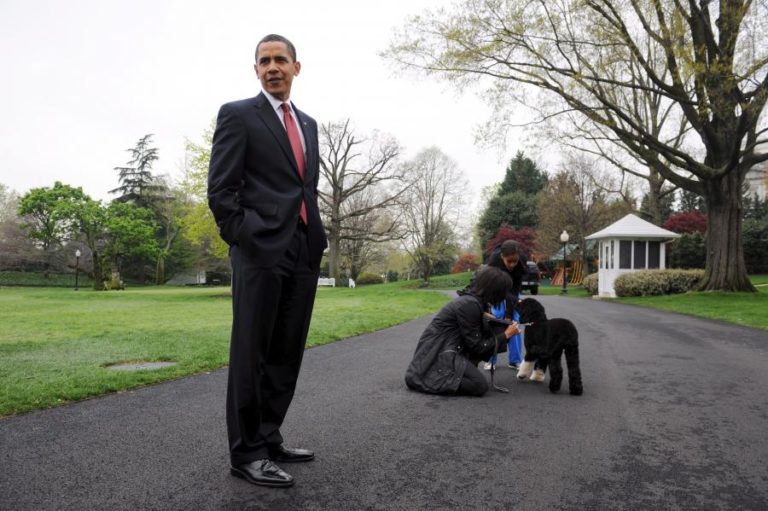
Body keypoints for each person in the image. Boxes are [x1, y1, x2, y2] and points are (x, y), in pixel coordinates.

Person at [207, 34, 327, 488]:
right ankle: (246, 453)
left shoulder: (308, 124)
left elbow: (305, 187)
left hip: (303, 249)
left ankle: (269, 436)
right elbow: (221, 189)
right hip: (259, 251)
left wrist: (314, 238)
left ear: (297, 67)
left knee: (285, 352)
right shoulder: (238, 115)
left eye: (280, 59)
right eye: (263, 61)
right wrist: (244, 235)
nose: (272, 67)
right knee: (251, 353)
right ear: (256, 70)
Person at [405, 267, 520, 397]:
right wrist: (506, 334)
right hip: (439, 353)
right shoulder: (470, 305)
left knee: (495, 329)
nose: (505, 295)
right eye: (504, 291)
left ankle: (461, 368)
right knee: (479, 385)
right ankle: (428, 377)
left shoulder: (473, 300)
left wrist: (486, 318)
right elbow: (477, 346)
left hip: (445, 349)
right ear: (495, 290)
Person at [483, 240, 527, 371]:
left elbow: (515, 287)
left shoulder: (522, 261)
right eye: (509, 261)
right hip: (497, 289)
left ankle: (515, 360)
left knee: (515, 321)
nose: (513, 265)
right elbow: (494, 287)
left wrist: (514, 304)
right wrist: (505, 314)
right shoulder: (494, 261)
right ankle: (490, 359)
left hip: (513, 289)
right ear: (502, 257)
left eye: (515, 261)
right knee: (497, 317)